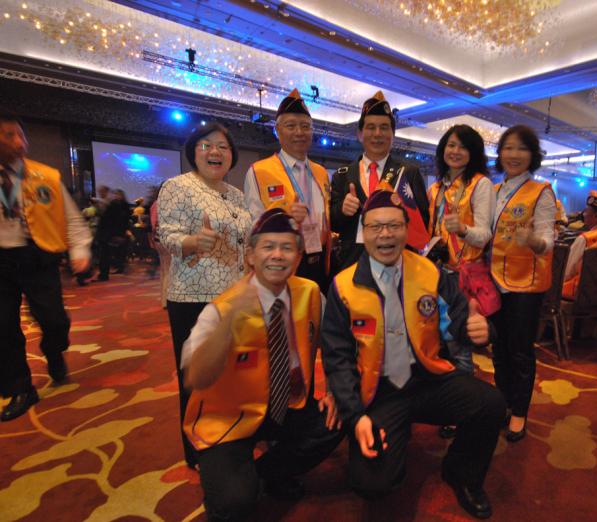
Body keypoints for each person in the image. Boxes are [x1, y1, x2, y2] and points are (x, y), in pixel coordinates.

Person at [322, 189, 505, 519]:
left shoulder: (430, 273)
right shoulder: (343, 286)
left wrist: (481, 329)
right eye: (376, 226)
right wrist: (355, 416)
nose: (386, 234)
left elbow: (459, 321)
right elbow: (337, 359)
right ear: (364, 231)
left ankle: (461, 473)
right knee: (371, 484)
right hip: (379, 390)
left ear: (407, 230)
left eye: (394, 225)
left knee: (490, 404)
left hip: (427, 378)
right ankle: (393, 437)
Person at [181, 209, 343, 521]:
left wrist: (336, 390)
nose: (278, 255)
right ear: (251, 256)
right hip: (229, 417)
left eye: (287, 248)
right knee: (235, 503)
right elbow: (195, 376)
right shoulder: (223, 307)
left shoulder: (310, 293)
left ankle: (266, 473)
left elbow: (336, 347)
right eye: (268, 246)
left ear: (298, 257)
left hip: (287, 403)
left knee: (341, 413)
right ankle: (236, 482)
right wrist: (229, 324)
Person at [158, 122, 253, 468]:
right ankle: (196, 447)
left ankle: (229, 434)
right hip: (193, 297)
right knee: (197, 375)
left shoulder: (236, 194)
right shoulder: (178, 187)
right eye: (206, 145)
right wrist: (193, 242)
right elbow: (166, 234)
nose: (215, 152)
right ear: (193, 152)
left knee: (231, 372)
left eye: (223, 147)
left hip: (233, 296)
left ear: (232, 156)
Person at [0, 113, 91, 421]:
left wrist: (79, 249)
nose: (19, 142)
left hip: (38, 256)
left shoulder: (46, 176)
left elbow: (71, 218)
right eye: (9, 135)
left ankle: (54, 351)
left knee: (54, 321)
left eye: (21, 135)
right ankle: (20, 387)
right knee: (3, 327)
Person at [489, 125, 556, 442]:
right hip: (494, 281)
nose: (514, 155)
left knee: (519, 351)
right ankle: (503, 402)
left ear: (533, 155)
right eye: (508, 148)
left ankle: (519, 411)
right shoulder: (493, 190)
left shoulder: (540, 191)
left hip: (524, 286)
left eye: (522, 148)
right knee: (498, 349)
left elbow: (547, 241)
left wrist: (532, 240)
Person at [329, 91, 430, 273]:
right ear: (360, 134)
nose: (377, 134)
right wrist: (342, 211)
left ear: (393, 134)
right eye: (371, 127)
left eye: (384, 128)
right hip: (352, 266)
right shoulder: (342, 175)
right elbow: (333, 223)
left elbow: (423, 222)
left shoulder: (408, 173)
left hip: (398, 266)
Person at [244, 88, 331, 290]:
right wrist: (285, 218)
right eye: (290, 126)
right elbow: (252, 225)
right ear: (277, 130)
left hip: (321, 261)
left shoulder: (321, 173)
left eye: (305, 126)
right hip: (282, 261)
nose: (299, 132)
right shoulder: (259, 171)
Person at [427, 125, 494, 370]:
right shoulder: (435, 189)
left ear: (473, 153)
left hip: (462, 276)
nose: (455, 151)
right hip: (435, 272)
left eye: (463, 147)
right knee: (435, 340)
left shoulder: (480, 184)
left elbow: (484, 236)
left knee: (459, 344)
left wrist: (463, 229)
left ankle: (464, 390)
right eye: (451, 145)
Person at [94, 188, 131, 281]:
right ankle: (105, 273)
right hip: (108, 232)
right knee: (106, 253)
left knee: (105, 254)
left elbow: (112, 220)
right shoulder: (112, 204)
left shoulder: (113, 204)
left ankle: (104, 274)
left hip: (107, 232)